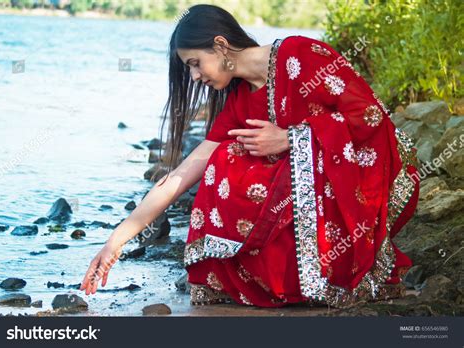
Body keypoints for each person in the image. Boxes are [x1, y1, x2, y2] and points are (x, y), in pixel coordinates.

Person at [80, 4, 419, 309]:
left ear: (220, 45)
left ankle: (333, 266)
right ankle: (288, 277)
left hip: (359, 179)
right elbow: (182, 176)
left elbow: (371, 116)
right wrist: (115, 242)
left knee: (235, 159)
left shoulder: (300, 54)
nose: (196, 77)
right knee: (224, 160)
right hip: (309, 203)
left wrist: (291, 137)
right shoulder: (240, 101)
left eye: (195, 64)